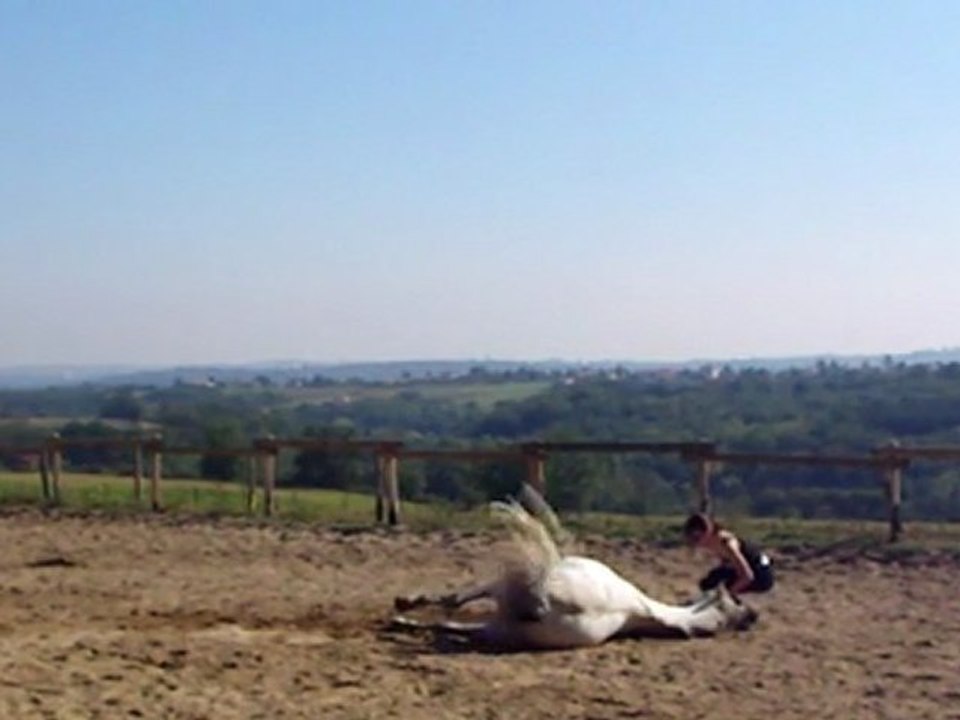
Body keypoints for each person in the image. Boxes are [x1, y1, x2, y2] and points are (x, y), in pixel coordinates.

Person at [683, 513, 774, 596]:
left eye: (697, 538)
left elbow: (747, 576)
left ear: (707, 532)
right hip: (755, 568)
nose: (696, 542)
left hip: (761, 575)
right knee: (711, 581)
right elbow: (726, 564)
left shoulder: (727, 544)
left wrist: (727, 593)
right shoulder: (714, 541)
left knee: (719, 584)